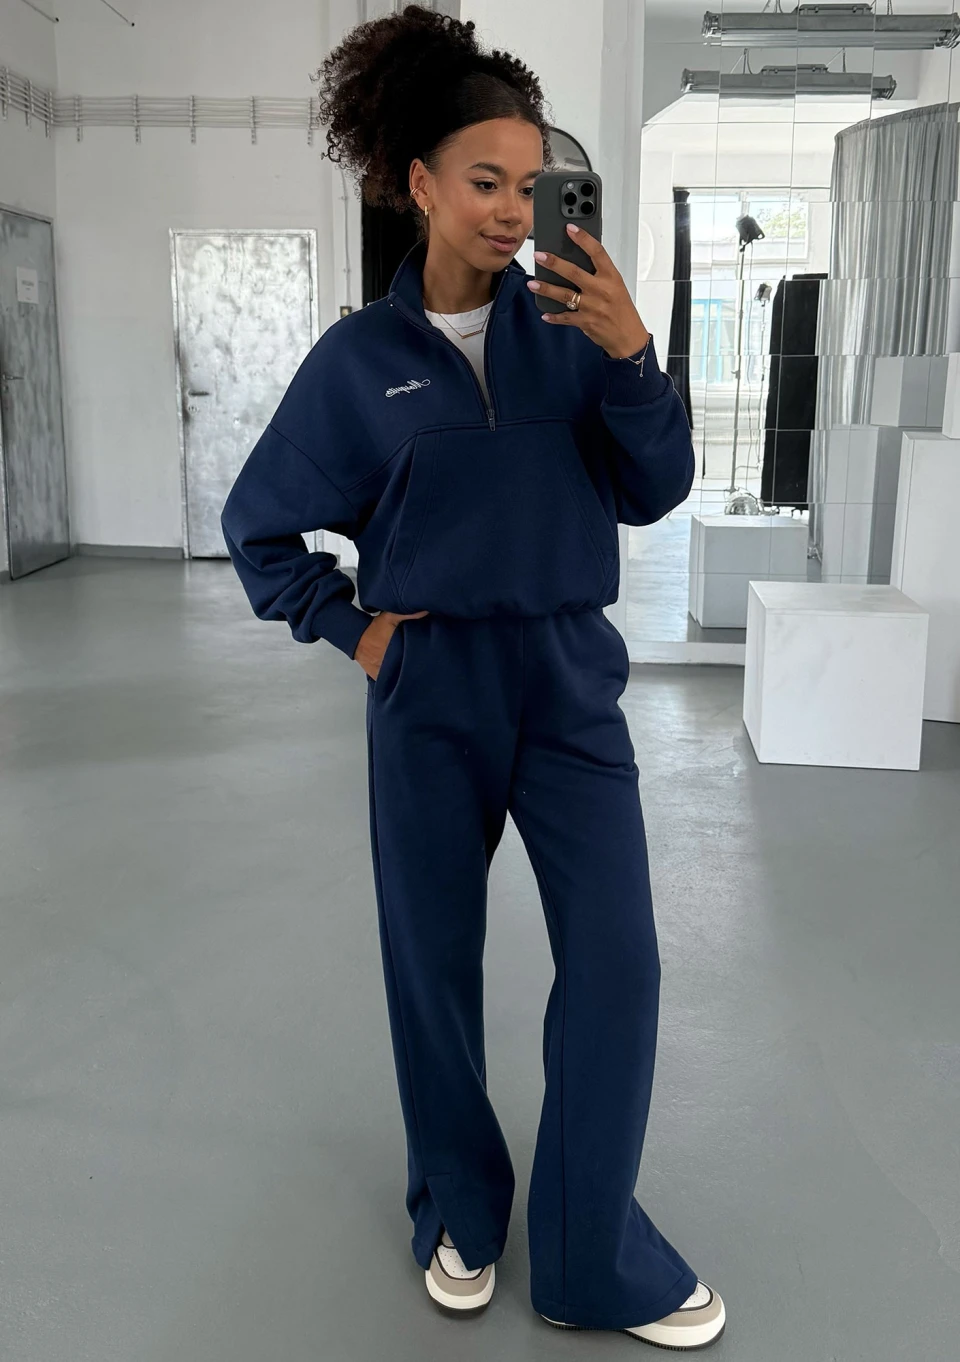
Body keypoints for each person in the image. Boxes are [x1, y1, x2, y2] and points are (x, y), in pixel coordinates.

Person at [221, 4, 725, 1351]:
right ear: (421, 183)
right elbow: (259, 527)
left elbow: (655, 490)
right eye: (486, 181)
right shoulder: (356, 364)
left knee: (617, 960)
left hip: (568, 685)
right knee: (431, 968)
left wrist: (632, 354)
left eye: (532, 183)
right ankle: (458, 1202)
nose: (512, 210)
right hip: (431, 692)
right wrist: (356, 630)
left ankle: (589, 1255)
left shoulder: (574, 328)